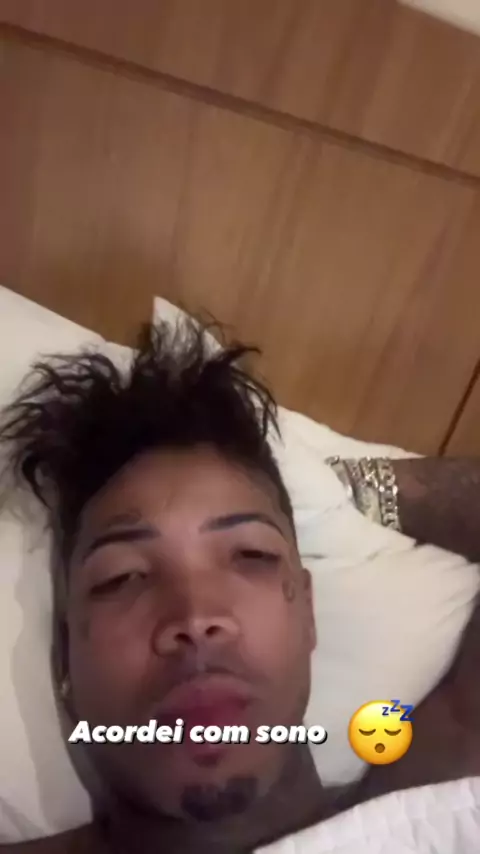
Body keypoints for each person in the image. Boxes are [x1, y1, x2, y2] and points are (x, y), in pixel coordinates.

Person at [0, 321, 478, 854]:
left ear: (308, 614)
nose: (195, 617)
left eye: (251, 555)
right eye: (123, 577)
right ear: (65, 657)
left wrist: (345, 492)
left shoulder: (435, 811)